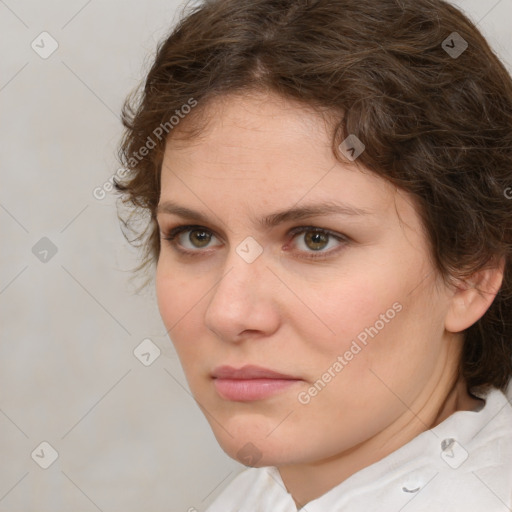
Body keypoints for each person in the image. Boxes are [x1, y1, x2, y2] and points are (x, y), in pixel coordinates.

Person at [115, 0, 512, 509]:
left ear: (472, 273)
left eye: (314, 239)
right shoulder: (263, 496)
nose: (228, 313)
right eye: (196, 236)